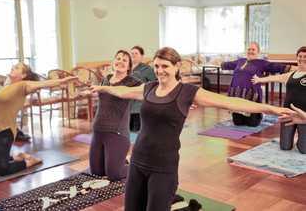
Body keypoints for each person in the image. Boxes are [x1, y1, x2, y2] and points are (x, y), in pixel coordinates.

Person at [89, 47, 293, 211]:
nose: (160, 71)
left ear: (177, 66)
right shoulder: (149, 87)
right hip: (138, 161)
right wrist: (102, 87)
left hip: (163, 166)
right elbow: (124, 91)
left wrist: (272, 109)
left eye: (165, 66)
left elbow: (229, 102)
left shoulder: (187, 92)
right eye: (157, 66)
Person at [0, 62, 77, 176]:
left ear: (23, 75)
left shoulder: (23, 86)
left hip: (3, 133)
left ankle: (29, 161)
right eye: (13, 66)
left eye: (16, 68)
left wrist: (61, 81)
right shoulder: (2, 87)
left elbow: (43, 84)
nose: (12, 68)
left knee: (2, 170)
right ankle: (17, 157)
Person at [88, 50, 142, 181]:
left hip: (117, 133)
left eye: (125, 60)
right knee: (96, 172)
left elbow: (149, 91)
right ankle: (120, 160)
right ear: (113, 62)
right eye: (118, 58)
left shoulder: (132, 82)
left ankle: (139, 166)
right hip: (98, 131)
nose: (120, 62)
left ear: (129, 66)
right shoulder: (106, 79)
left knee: (114, 174)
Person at [221, 42, 292, 127]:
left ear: (258, 52)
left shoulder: (261, 63)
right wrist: (220, 63)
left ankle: (260, 115)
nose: (250, 51)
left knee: (252, 124)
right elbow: (227, 65)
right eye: (249, 49)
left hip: (251, 96)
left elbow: (276, 67)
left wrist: (293, 68)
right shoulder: (240, 61)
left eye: (253, 49)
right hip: (237, 95)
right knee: (237, 123)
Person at [252, 46, 306, 153]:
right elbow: (274, 78)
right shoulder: (290, 75)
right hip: (287, 113)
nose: (302, 59)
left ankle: (301, 142)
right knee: (285, 147)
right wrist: (259, 79)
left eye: (305, 57)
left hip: (304, 116)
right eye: (300, 56)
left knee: (304, 150)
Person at [129, 45, 156, 132]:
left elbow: (155, 84)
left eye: (136, 53)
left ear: (142, 56)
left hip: (139, 105)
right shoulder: (125, 68)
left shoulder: (147, 69)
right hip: (126, 104)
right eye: (131, 53)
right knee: (128, 131)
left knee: (137, 131)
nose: (133, 55)